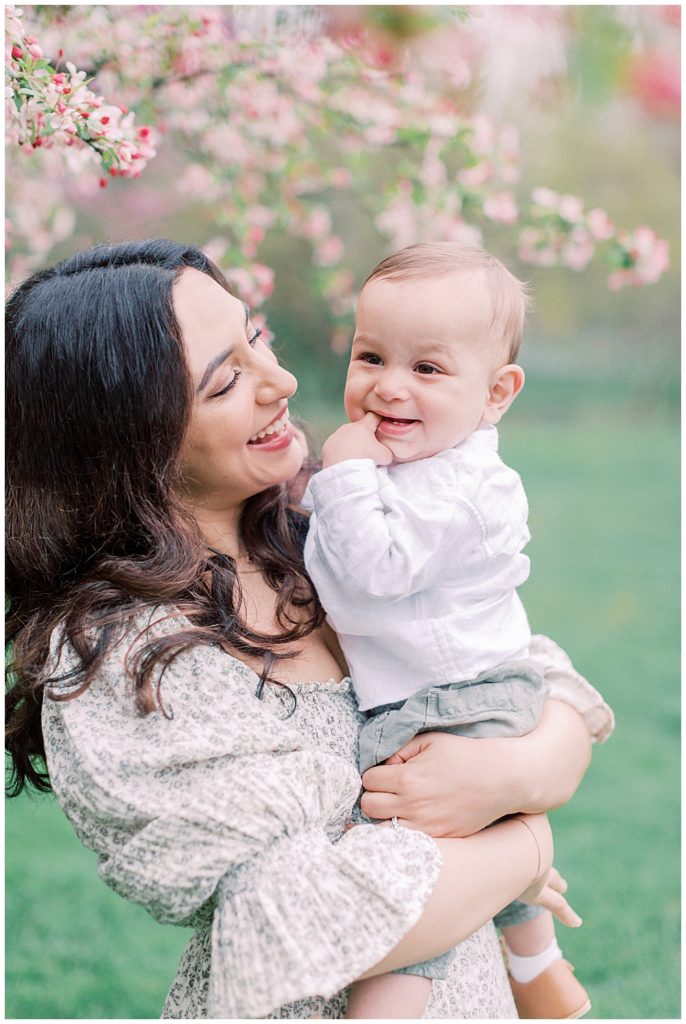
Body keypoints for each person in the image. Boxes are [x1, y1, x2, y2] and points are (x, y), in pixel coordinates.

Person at [5, 240, 614, 1020]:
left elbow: (521, 666)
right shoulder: (126, 655)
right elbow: (293, 922)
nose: (284, 382)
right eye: (227, 379)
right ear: (128, 439)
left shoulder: (317, 530)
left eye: (257, 338)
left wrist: (525, 773)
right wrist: (525, 847)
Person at [304, 243, 596, 1020]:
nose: (388, 386)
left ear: (496, 393)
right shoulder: (405, 466)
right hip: (452, 690)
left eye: (427, 370)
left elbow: (373, 570)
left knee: (410, 845)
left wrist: (340, 474)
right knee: (467, 835)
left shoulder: (465, 489)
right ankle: (536, 960)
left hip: (454, 701)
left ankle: (391, 1001)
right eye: (371, 356)